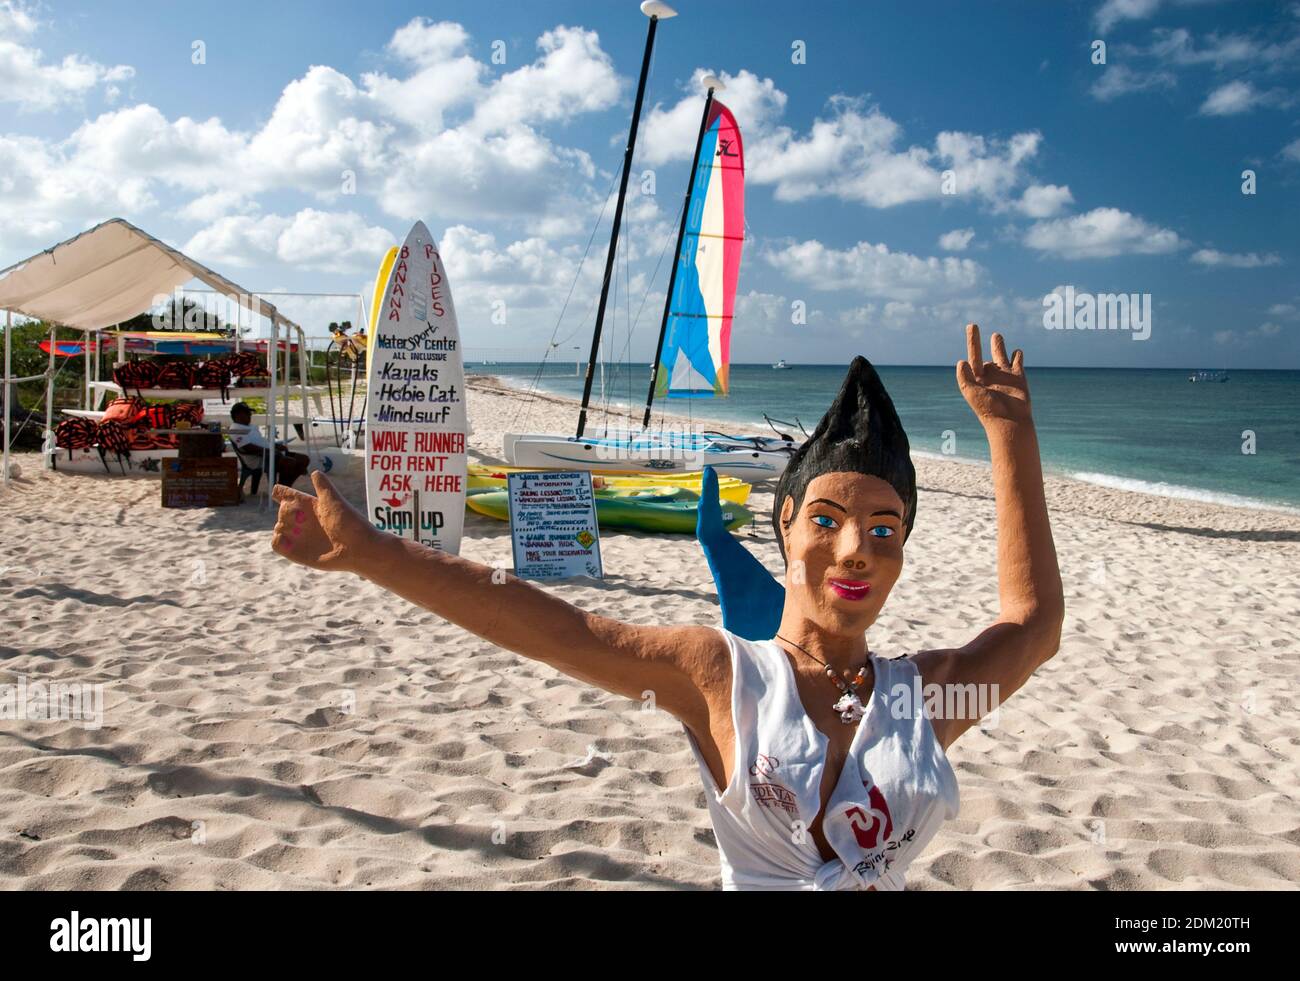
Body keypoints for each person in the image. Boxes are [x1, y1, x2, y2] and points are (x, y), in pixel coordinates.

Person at [268, 325, 1064, 890]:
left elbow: (1032, 627)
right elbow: (550, 626)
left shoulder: (919, 697)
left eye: (883, 530)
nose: (856, 547)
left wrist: (1009, 435)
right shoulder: (722, 675)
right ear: (783, 523)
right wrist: (375, 553)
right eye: (827, 519)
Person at [228, 401, 309, 489]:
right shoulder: (235, 429)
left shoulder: (250, 426)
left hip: (270, 453)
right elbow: (247, 447)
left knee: (304, 459)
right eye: (247, 413)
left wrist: (275, 446)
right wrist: (270, 451)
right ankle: (281, 490)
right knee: (290, 463)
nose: (250, 415)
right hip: (259, 458)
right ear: (238, 415)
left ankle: (284, 487)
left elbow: (262, 441)